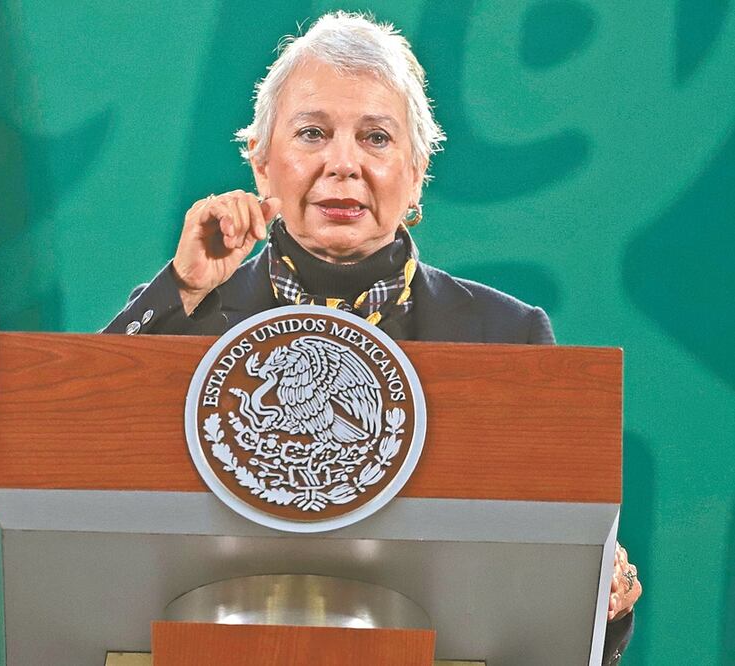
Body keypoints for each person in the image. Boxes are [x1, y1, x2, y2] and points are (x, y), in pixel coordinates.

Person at [102, 11, 640, 662]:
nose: (342, 163)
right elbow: (71, 450)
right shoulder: (182, 314)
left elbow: (551, 579)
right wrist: (184, 287)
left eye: (376, 138)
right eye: (311, 133)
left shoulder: (505, 337)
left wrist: (597, 595)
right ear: (261, 164)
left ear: (415, 172)